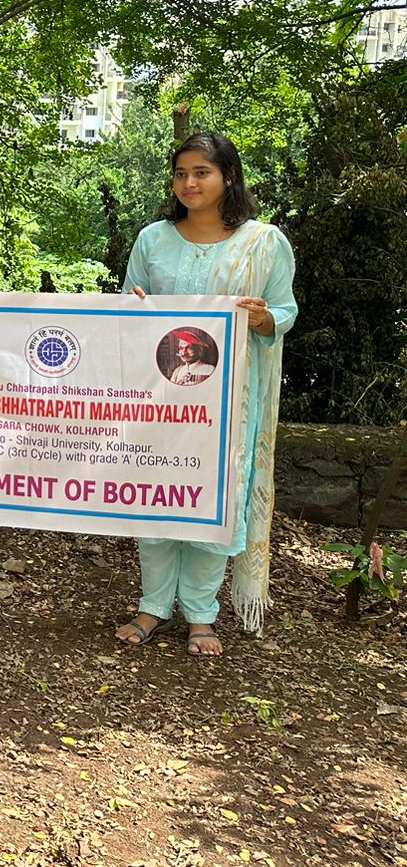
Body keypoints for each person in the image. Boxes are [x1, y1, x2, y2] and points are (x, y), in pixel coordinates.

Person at [116, 131, 297, 656]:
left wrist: (264, 317)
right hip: (158, 400)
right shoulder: (153, 238)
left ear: (228, 177)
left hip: (227, 403)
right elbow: (129, 306)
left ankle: (201, 613)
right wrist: (135, 306)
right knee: (155, 497)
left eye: (202, 172)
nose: (189, 183)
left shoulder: (263, 242)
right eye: (181, 173)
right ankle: (152, 605)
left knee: (212, 501)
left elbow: (285, 311)